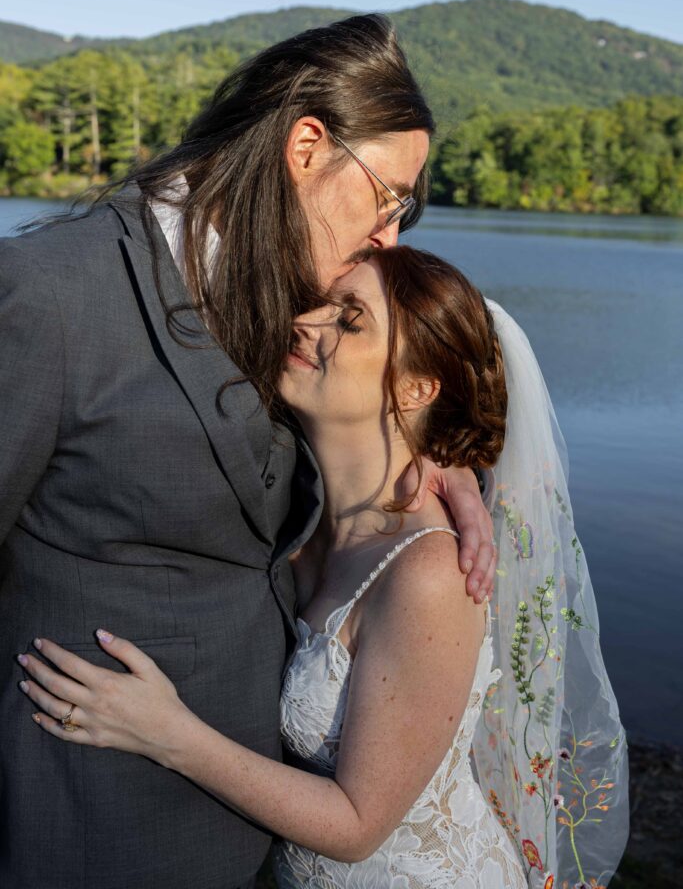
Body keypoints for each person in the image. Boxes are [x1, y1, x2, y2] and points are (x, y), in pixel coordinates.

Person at [1, 15, 497, 889]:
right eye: (387, 198)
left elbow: (424, 362)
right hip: (83, 827)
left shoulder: (299, 300)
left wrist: (441, 460)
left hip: (251, 837)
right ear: (308, 146)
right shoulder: (53, 294)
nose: (390, 234)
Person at [15, 247, 629, 887]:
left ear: (417, 388)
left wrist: (166, 732)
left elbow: (358, 826)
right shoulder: (296, 509)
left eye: (350, 319)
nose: (307, 322)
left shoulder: (429, 574)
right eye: (323, 302)